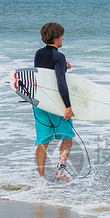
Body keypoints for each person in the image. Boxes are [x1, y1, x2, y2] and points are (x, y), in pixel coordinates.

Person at [34, 22, 74, 182]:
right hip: (56, 104)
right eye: (61, 36)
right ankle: (60, 171)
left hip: (40, 103)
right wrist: (68, 107)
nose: (63, 38)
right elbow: (60, 83)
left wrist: (63, 67)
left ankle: (41, 178)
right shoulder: (59, 56)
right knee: (67, 137)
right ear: (56, 38)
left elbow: (45, 75)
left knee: (43, 141)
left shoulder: (38, 53)